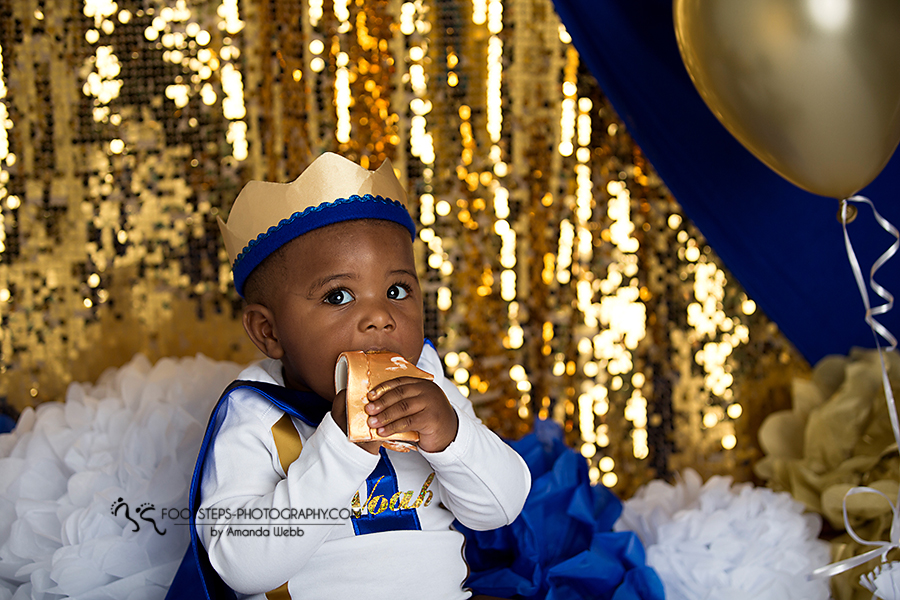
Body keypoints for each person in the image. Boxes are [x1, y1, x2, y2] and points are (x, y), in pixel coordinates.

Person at [167, 152, 531, 600]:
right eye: (338, 296)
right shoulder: (256, 415)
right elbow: (241, 567)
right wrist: (340, 450)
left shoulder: (429, 384)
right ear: (269, 331)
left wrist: (452, 436)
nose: (380, 316)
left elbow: (500, 508)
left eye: (397, 291)